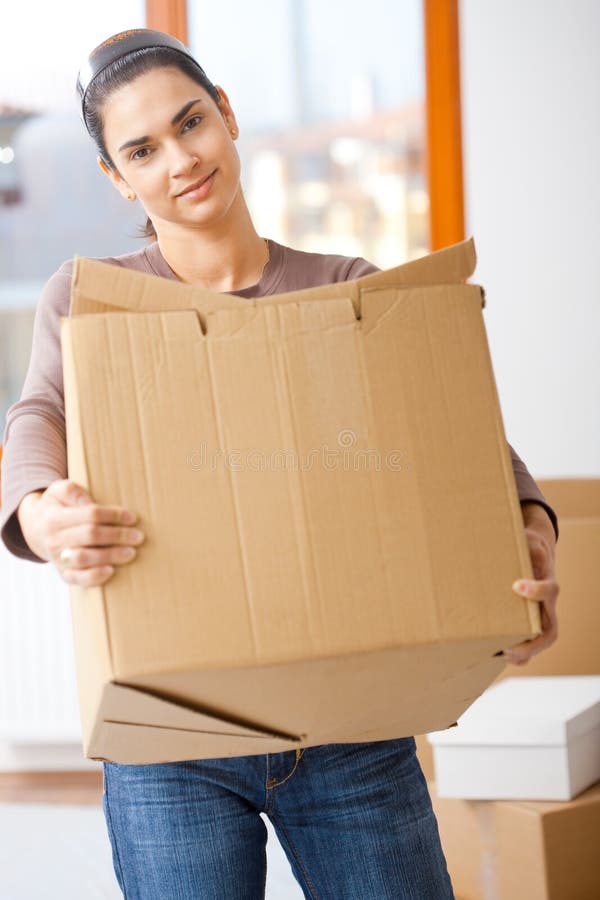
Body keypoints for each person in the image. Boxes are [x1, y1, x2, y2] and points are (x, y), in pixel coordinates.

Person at [0, 29, 560, 900]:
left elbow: (462, 432)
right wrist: (39, 508)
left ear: (226, 115)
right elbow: (40, 410)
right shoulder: (94, 299)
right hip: (168, 740)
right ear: (118, 176)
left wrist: (527, 530)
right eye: (143, 149)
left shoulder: (347, 290)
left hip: (353, 730)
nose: (180, 159)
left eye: (191, 124)